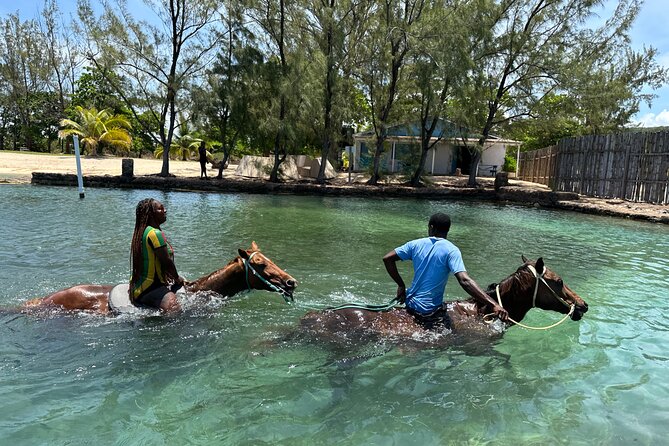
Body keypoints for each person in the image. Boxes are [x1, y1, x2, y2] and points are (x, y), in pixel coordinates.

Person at [383, 212, 508, 330]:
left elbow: (387, 258)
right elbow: (464, 280)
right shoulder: (451, 250)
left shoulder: (414, 244)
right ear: (448, 230)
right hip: (429, 311)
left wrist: (400, 285)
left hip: (410, 304)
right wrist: (493, 304)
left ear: (431, 227)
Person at [129, 198, 184, 312]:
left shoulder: (144, 231)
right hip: (150, 287)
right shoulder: (154, 233)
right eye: (160, 208)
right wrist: (177, 278)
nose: (165, 210)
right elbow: (166, 262)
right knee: (175, 309)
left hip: (139, 284)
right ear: (150, 213)